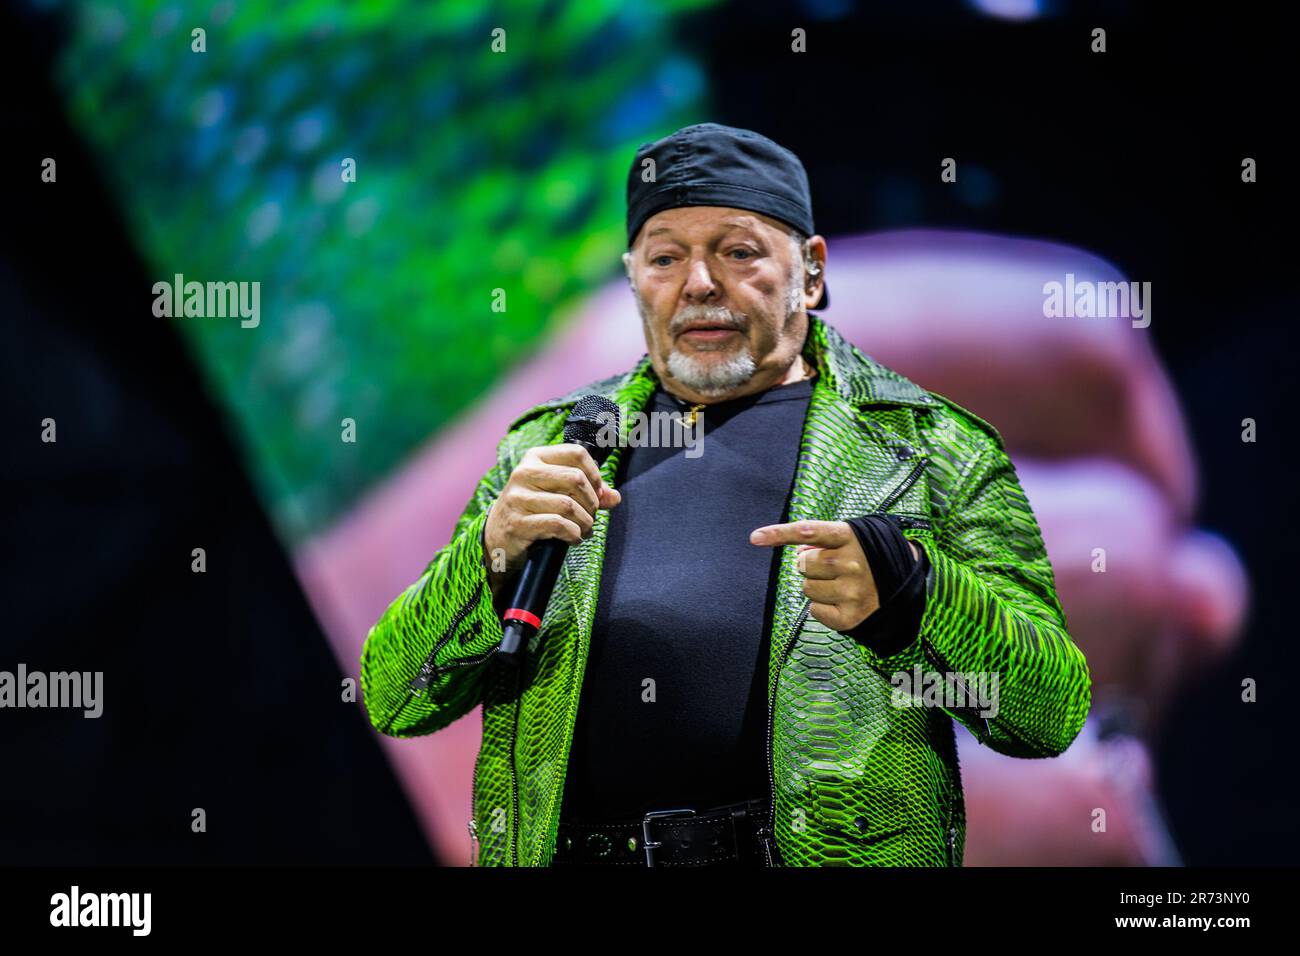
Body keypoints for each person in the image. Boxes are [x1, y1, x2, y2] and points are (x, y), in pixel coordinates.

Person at [358, 122, 1092, 866]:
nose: (699, 283)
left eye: (737, 252)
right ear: (633, 275)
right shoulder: (551, 447)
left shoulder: (929, 446)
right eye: (665, 257)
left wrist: (918, 596)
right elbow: (395, 697)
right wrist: (488, 555)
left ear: (810, 270)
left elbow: (1049, 712)